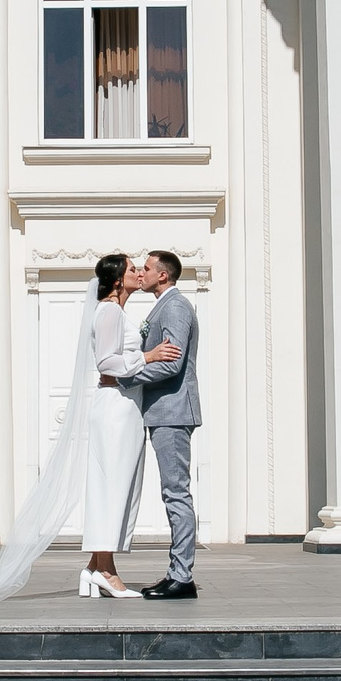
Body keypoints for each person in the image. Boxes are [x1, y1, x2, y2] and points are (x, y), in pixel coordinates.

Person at [0, 253, 181, 602]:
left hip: (125, 406)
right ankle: (106, 572)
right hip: (115, 407)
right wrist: (148, 356)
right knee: (111, 488)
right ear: (117, 279)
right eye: (132, 269)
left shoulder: (117, 311)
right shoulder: (110, 311)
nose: (139, 273)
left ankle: (96, 568)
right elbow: (106, 362)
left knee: (116, 486)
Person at [116, 250, 201, 599]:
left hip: (173, 412)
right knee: (172, 493)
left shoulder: (176, 307)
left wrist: (125, 377)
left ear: (163, 276)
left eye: (147, 268)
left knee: (176, 493)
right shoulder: (161, 307)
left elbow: (171, 364)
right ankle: (177, 572)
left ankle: (182, 576)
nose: (141, 272)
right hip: (161, 412)